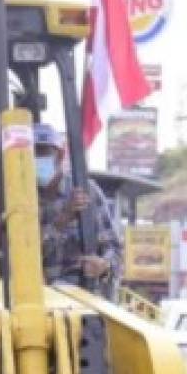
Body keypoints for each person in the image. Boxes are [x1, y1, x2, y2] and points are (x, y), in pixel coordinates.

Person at [33, 123, 118, 287]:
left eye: (43, 152)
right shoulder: (22, 199)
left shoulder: (87, 191)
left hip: (84, 300)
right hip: (41, 301)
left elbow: (114, 250)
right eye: (32, 153)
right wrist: (64, 218)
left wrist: (104, 265)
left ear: (60, 154)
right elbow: (28, 253)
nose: (37, 159)